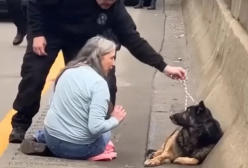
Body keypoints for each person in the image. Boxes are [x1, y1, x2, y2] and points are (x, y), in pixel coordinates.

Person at [9, 0, 186, 144]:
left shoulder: (115, 8)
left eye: (111, 2)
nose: (107, 5)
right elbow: (35, 3)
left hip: (82, 40)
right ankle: (20, 123)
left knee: (105, 81)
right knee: (34, 75)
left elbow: (133, 40)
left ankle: (99, 128)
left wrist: (164, 67)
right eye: (103, 2)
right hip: (48, 31)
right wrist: (37, 33)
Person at [20, 36, 126, 159]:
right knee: (105, 134)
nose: (113, 63)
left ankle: (41, 138)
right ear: (99, 57)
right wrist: (115, 119)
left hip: (52, 137)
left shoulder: (67, 70)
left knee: (64, 122)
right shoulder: (99, 83)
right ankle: (61, 150)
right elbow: (96, 128)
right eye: (111, 58)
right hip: (78, 148)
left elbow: (53, 104)